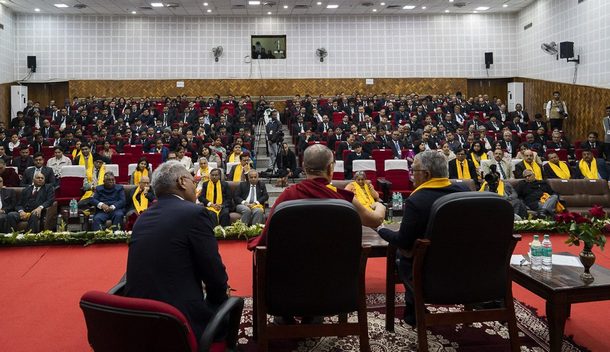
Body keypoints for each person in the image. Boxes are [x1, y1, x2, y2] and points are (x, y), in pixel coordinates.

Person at [124, 161, 229, 341]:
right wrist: (219, 299)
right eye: (192, 181)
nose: (195, 186)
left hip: (138, 320)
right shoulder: (195, 213)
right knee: (225, 306)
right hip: (177, 324)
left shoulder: (143, 217)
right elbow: (215, 276)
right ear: (182, 181)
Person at [376, 151, 466, 326]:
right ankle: (412, 312)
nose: (411, 175)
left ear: (426, 174)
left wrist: (381, 229)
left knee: (403, 256)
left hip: (429, 273)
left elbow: (403, 241)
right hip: (466, 269)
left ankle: (414, 312)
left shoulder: (417, 200)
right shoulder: (464, 191)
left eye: (413, 170)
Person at [248, 144, 385, 250]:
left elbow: (267, 236)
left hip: (295, 270)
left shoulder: (288, 196)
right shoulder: (343, 198)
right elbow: (376, 220)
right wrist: (379, 204)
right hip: (337, 273)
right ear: (331, 169)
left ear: (304, 168)